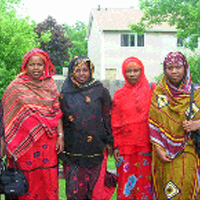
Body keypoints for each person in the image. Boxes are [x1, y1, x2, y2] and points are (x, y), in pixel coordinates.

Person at [2, 48, 64, 200]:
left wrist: (61, 136)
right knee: (26, 184)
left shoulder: (50, 85)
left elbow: (57, 113)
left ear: (45, 66)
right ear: (25, 66)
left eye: (39, 64)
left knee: (47, 182)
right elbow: (7, 118)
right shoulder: (15, 87)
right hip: (24, 146)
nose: (36, 68)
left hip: (48, 144)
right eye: (32, 64)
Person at [59, 56, 114, 200]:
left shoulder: (99, 89)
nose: (82, 74)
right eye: (78, 71)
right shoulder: (65, 92)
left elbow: (107, 115)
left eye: (85, 70)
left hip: (96, 146)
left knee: (94, 190)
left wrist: (110, 140)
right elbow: (59, 118)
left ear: (91, 71)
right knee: (75, 190)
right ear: (71, 72)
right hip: (73, 149)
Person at [149, 52, 200, 199]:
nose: (174, 71)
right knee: (166, 191)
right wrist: (158, 149)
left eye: (178, 67)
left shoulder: (196, 93)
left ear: (185, 68)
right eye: (169, 67)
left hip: (189, 150)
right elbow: (154, 124)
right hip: (163, 154)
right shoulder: (159, 93)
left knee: (186, 188)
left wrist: (197, 124)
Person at [111, 56, 155, 199]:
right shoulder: (119, 95)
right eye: (128, 71)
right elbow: (115, 123)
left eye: (135, 70)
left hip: (147, 147)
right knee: (126, 186)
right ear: (124, 73)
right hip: (126, 148)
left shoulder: (152, 91)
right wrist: (116, 146)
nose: (132, 74)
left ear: (141, 71)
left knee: (146, 184)